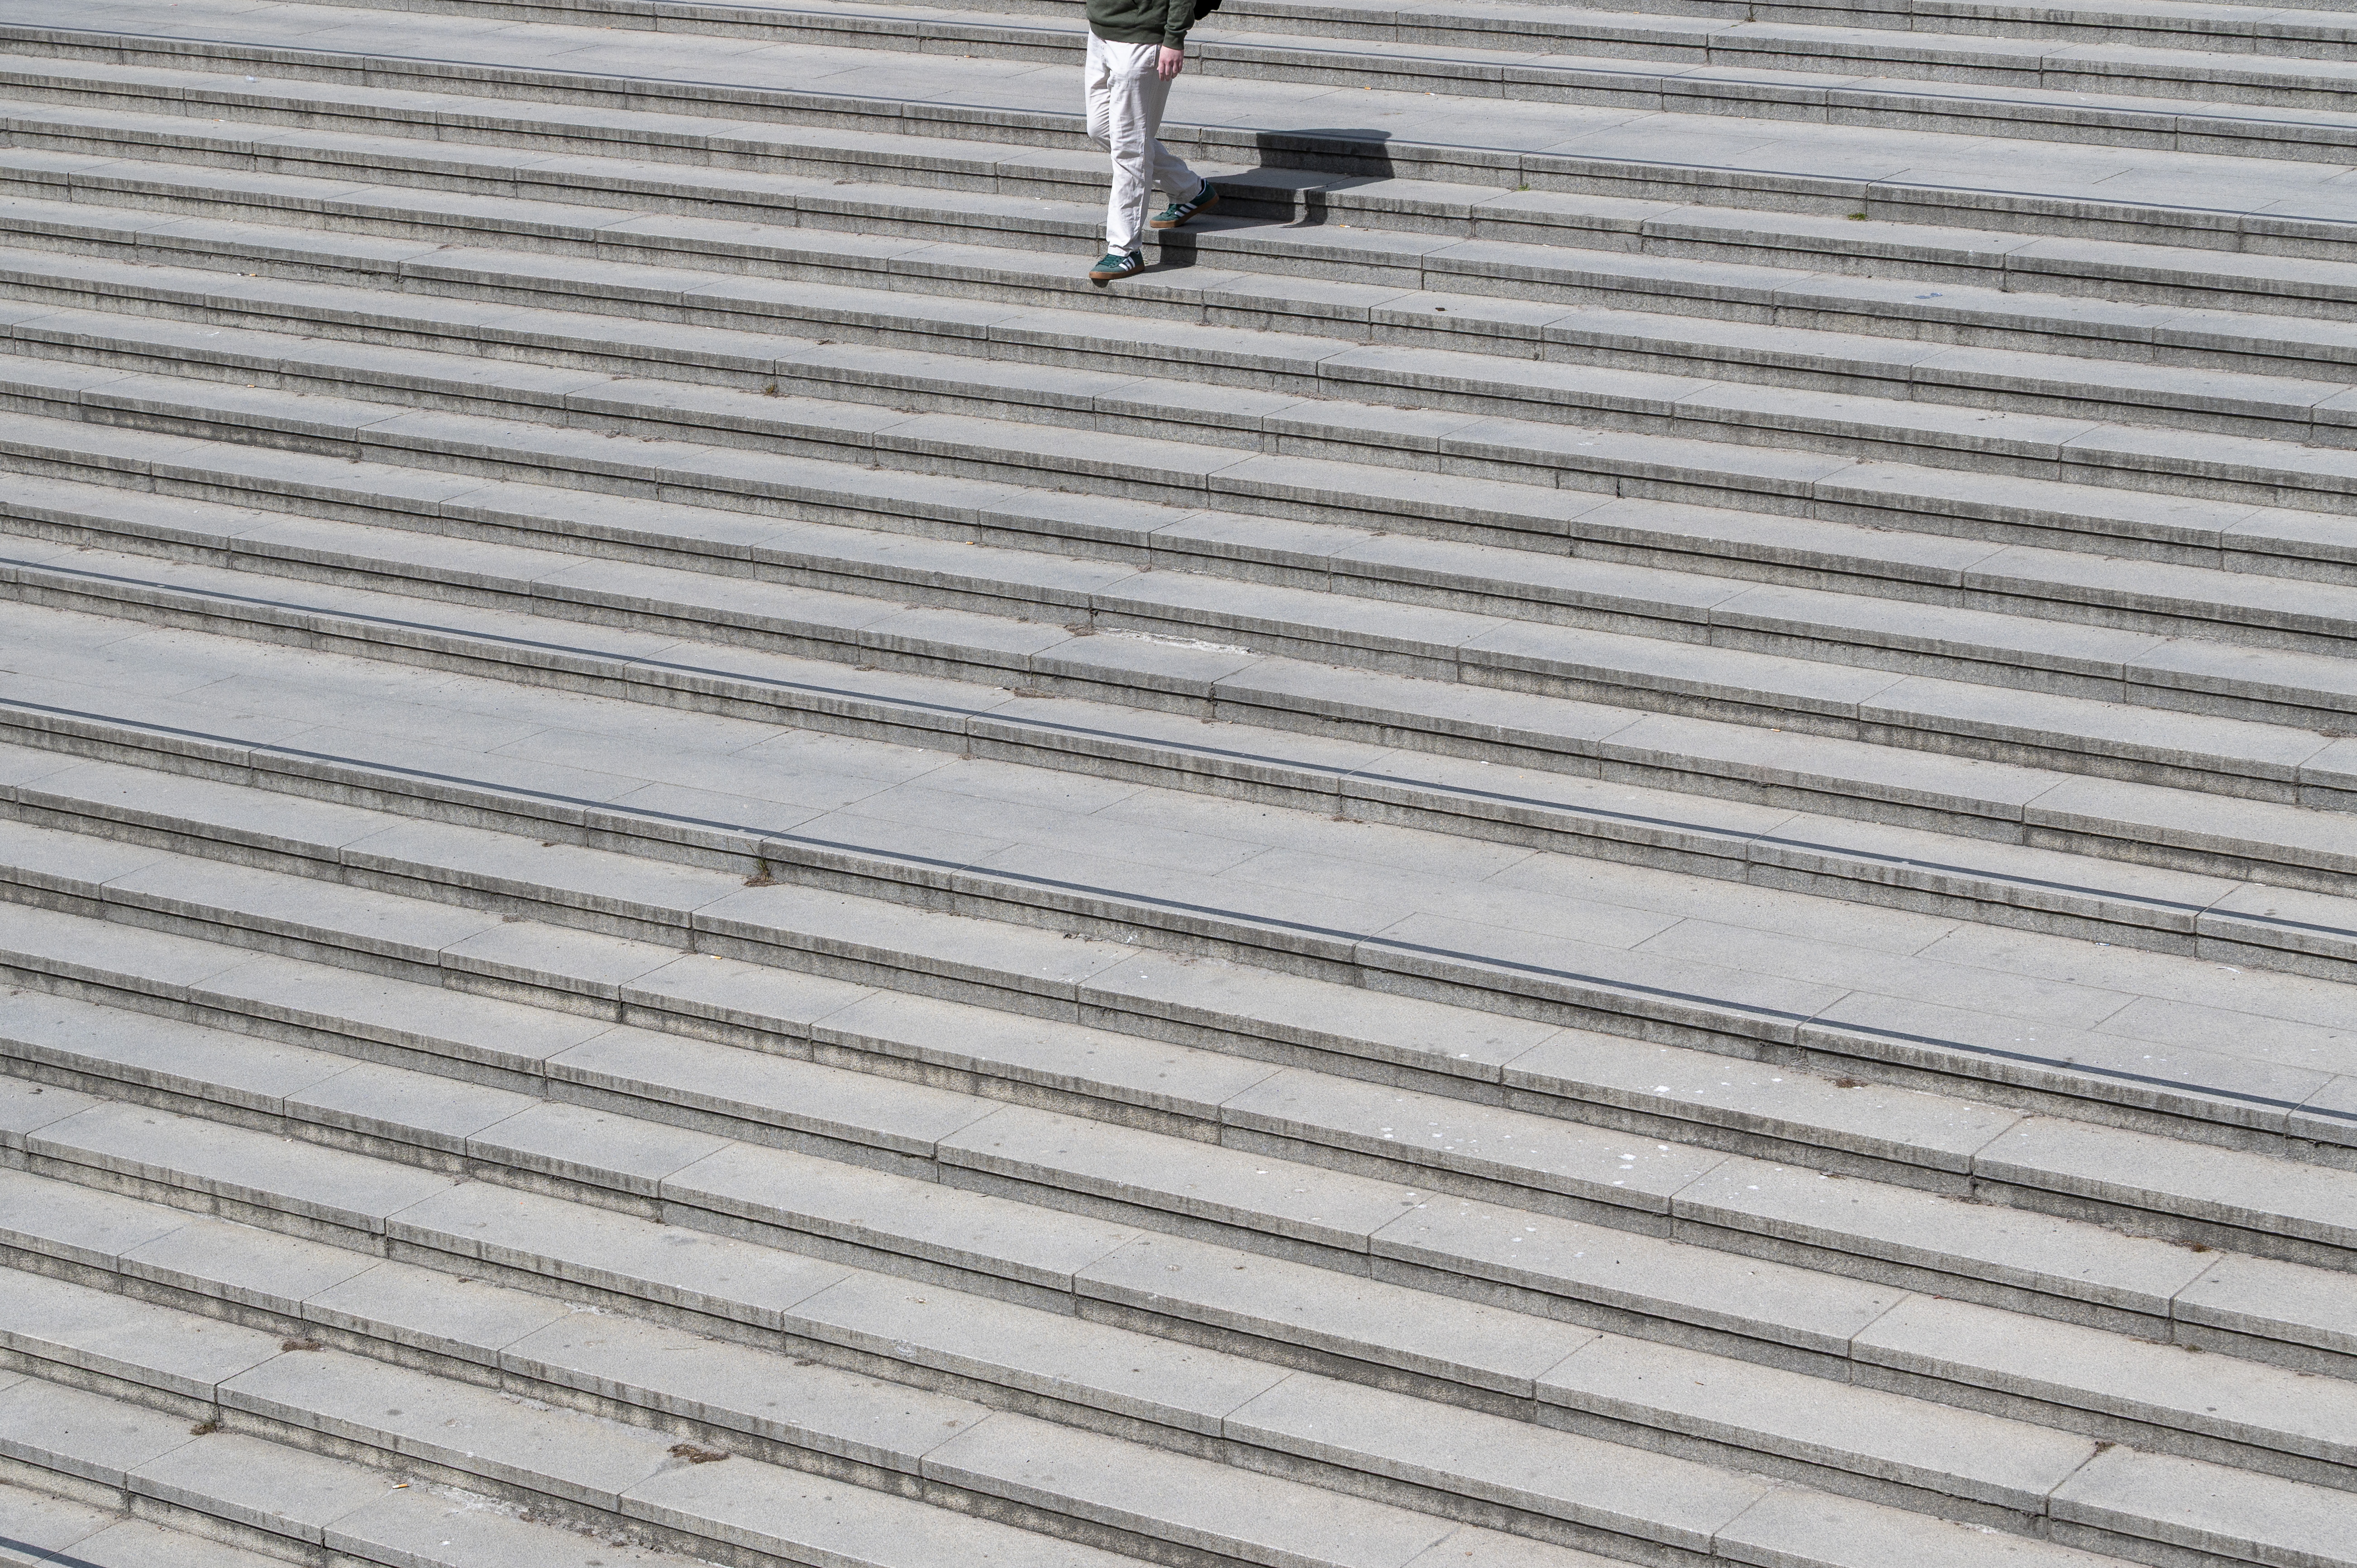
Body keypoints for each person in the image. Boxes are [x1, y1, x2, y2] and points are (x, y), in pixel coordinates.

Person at [1083, 0, 1221, 283]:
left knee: (1130, 150)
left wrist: (1173, 37)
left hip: (1142, 37)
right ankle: (1189, 189)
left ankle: (1125, 250)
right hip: (1100, 30)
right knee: (1100, 129)